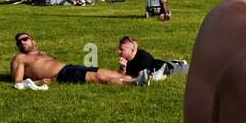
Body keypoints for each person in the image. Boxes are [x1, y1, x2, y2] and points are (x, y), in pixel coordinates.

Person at [10, 32, 148, 88]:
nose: (22, 42)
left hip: (69, 68)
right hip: (61, 75)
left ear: (33, 41)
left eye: (25, 39)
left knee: (109, 72)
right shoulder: (20, 58)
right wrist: (37, 82)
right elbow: (17, 82)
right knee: (98, 77)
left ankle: (141, 77)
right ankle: (133, 84)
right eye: (19, 42)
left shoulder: (42, 53)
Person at [118, 35, 188, 81]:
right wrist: (122, 68)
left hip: (169, 69)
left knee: (189, 69)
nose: (119, 51)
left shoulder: (143, 59)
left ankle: (179, 63)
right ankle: (176, 62)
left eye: (122, 49)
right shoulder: (128, 59)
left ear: (132, 50)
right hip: (159, 66)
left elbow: (142, 79)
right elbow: (122, 75)